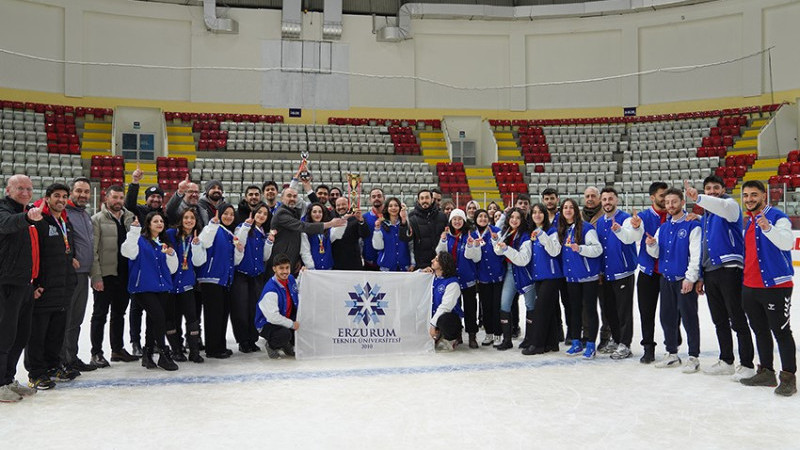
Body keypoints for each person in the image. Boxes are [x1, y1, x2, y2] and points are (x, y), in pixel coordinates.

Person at [684, 177, 755, 380]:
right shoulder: (705, 217)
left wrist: (699, 197)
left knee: (737, 318)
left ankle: (748, 364)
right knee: (720, 320)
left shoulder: (730, 206)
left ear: (724, 189)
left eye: (716, 188)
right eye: (708, 188)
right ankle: (726, 360)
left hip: (729, 269)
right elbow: (705, 248)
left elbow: (721, 206)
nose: (712, 191)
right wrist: (700, 276)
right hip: (711, 272)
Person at [737, 180, 796, 396]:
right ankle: (766, 372)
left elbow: (786, 242)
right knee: (760, 330)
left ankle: (788, 377)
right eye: (745, 195)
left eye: (754, 194)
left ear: (764, 195)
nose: (749, 199)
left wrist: (768, 228)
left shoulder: (777, 217)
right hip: (750, 286)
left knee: (781, 332)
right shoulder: (748, 221)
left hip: (775, 286)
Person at [25, 183, 79, 389]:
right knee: (37, 333)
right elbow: (32, 254)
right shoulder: (39, 220)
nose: (61, 200)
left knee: (56, 332)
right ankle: (36, 373)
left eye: (65, 196)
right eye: (57, 196)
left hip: (63, 287)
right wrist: (35, 283)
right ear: (47, 198)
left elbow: (66, 249)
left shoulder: (64, 221)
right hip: (44, 287)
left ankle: (52, 366)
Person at [645, 188, 702, 373]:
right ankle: (672, 354)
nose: (670, 206)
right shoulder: (664, 227)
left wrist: (690, 278)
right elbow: (657, 254)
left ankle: (693, 356)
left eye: (674, 202)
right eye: (667, 202)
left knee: (689, 318)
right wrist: (652, 245)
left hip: (684, 281)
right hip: (666, 279)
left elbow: (696, 255)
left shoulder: (692, 225)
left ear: (682, 203)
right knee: (667, 318)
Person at [0, 175, 41, 402]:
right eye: (19, 188)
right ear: (8, 190)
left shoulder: (29, 212)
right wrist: (27, 217)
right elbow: (7, 224)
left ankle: (8, 379)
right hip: (6, 283)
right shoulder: (3, 209)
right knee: (4, 336)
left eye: (28, 188)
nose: (25, 192)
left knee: (20, 335)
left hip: (25, 284)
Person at [121, 212, 179, 371]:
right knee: (159, 317)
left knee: (153, 320)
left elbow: (172, 269)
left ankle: (147, 356)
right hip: (143, 287)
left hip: (162, 287)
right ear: (148, 224)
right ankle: (162, 352)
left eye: (161, 221)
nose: (159, 223)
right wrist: (133, 232)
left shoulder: (163, 243)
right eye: (155, 221)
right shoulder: (139, 240)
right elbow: (127, 252)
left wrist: (172, 254)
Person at [90, 185, 138, 367]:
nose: (118, 201)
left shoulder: (130, 218)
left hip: (124, 275)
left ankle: (117, 350)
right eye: (114, 198)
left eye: (120, 198)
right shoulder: (97, 219)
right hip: (105, 274)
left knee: (119, 313)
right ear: (107, 198)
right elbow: (93, 250)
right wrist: (96, 276)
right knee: (99, 314)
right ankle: (96, 353)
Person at [626, 181, 668, 364]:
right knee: (646, 312)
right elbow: (633, 234)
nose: (666, 199)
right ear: (652, 198)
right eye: (662, 196)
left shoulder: (675, 215)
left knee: (671, 312)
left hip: (669, 272)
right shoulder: (642, 217)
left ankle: (672, 343)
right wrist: (635, 227)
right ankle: (648, 347)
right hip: (648, 272)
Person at [594, 187, 638, 360]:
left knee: (623, 310)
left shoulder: (625, 219)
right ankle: (616, 338)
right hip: (605, 274)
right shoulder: (601, 222)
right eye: (604, 199)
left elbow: (629, 236)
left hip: (622, 272)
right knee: (609, 310)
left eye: (610, 199)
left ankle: (625, 344)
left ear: (616, 200)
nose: (607, 202)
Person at [125, 169, 165, 356]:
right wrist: (134, 182)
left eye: (159, 197)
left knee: (154, 309)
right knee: (136, 308)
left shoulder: (163, 216)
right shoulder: (139, 211)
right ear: (146, 198)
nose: (155, 200)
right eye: (152, 197)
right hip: (140, 265)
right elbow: (129, 203)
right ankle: (135, 341)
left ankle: (154, 342)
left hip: (156, 266)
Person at [197, 203, 244, 359]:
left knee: (222, 314)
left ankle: (220, 345)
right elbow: (204, 242)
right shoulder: (213, 228)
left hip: (224, 280)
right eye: (226, 213)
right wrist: (212, 225)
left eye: (231, 214)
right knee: (213, 316)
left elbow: (234, 261)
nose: (229, 217)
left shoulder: (229, 234)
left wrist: (239, 251)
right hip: (211, 279)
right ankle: (212, 348)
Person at [558, 198, 603, 359]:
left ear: (576, 211)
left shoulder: (587, 228)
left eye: (571, 207)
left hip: (588, 276)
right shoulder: (563, 229)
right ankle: (576, 342)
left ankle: (591, 344)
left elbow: (597, 249)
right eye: (565, 208)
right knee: (574, 311)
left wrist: (581, 248)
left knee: (589, 310)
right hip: (571, 278)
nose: (568, 210)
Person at [60, 177, 96, 373]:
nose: (83, 195)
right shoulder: (64, 213)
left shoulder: (85, 215)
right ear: (71, 192)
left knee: (76, 320)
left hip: (83, 274)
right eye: (79, 191)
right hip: (68, 275)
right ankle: (61, 360)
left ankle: (71, 357)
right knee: (65, 320)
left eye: (86, 192)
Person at [271, 187, 346, 274]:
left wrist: (344, 219)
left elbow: (337, 234)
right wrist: (330, 224)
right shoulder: (282, 213)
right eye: (289, 196)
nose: (292, 198)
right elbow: (303, 232)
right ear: (282, 198)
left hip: (299, 263)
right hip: (282, 262)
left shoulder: (293, 212)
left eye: (295, 196)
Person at [165, 208, 206, 363]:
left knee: (192, 318)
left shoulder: (198, 239)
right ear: (181, 220)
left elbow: (199, 262)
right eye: (186, 217)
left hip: (188, 286)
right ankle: (176, 350)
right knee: (171, 320)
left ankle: (194, 351)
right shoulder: (170, 234)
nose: (189, 221)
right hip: (170, 286)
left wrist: (196, 246)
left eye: (192, 218)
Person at [232, 203, 274, 354]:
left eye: (265, 214)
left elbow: (265, 257)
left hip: (256, 276)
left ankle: (252, 338)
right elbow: (239, 243)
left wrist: (269, 242)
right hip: (242, 274)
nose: (261, 216)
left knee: (253, 309)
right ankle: (243, 341)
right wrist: (245, 227)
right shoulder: (242, 227)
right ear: (254, 213)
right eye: (259, 212)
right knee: (241, 310)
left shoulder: (263, 232)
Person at [436, 209, 481, 348]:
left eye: (459, 219)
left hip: (468, 278)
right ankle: (457, 334)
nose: (457, 221)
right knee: (455, 307)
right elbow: (440, 254)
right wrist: (443, 240)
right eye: (454, 219)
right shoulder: (446, 235)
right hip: (452, 279)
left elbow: (475, 257)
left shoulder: (471, 235)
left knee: (470, 308)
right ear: (450, 221)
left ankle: (472, 335)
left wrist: (470, 245)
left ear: (464, 221)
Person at [522, 203, 563, 355]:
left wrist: (541, 234)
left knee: (540, 310)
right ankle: (552, 343)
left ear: (545, 215)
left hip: (551, 276)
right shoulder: (531, 233)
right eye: (534, 212)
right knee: (549, 310)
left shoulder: (552, 231)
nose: (537, 215)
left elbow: (554, 251)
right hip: (539, 276)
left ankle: (537, 344)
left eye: (540, 212)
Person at [493, 208, 534, 351]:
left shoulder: (526, 236)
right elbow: (497, 250)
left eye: (518, 217)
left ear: (522, 220)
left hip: (525, 272)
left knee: (530, 305)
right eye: (512, 217)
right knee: (504, 304)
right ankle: (507, 339)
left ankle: (529, 338)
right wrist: (497, 243)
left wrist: (505, 249)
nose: (514, 220)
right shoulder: (506, 233)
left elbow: (523, 260)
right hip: (511, 271)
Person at [255, 253, 299, 359]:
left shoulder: (291, 279)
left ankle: (285, 344)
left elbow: (300, 287)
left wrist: (304, 273)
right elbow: (273, 317)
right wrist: (292, 324)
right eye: (281, 268)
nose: (285, 271)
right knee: (284, 334)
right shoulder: (271, 290)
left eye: (287, 268)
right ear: (274, 269)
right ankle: (271, 345)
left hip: (284, 318)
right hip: (267, 323)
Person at [473, 209, 504, 346]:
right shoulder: (472, 234)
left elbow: (501, 251)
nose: (483, 219)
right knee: (486, 306)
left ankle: (498, 334)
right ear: (475, 219)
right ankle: (489, 333)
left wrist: (496, 239)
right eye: (480, 216)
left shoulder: (496, 230)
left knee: (496, 306)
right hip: (483, 276)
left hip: (497, 275)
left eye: (485, 216)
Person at [424, 252, 463, 352]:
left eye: (436, 260)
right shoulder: (431, 277)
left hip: (448, 319)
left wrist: (432, 325)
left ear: (443, 264)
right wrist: (421, 272)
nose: (432, 261)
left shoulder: (452, 283)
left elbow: (445, 307)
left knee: (445, 319)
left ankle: (451, 337)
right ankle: (438, 334)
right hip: (432, 315)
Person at [407, 189, 448, 270]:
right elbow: (410, 243)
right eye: (422, 198)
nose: (424, 200)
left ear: (432, 199)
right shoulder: (412, 218)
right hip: (421, 264)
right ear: (418, 200)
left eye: (427, 198)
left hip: (439, 263)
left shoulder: (442, 216)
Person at [373, 198, 414, 272]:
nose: (393, 208)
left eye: (396, 205)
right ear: (387, 208)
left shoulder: (406, 224)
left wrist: (413, 262)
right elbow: (378, 246)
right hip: (386, 267)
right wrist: (377, 230)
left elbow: (411, 245)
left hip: (405, 267)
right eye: (390, 206)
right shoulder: (381, 225)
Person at [300, 203, 343, 270]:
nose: (317, 214)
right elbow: (305, 251)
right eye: (314, 212)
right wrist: (311, 267)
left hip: (328, 268)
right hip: (313, 269)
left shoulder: (328, 229)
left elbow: (338, 234)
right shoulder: (305, 231)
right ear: (310, 214)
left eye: (320, 212)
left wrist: (344, 219)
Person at [331, 197, 370, 271]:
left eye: (343, 204)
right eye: (338, 205)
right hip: (335, 262)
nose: (341, 207)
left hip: (353, 262)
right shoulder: (332, 219)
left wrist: (361, 221)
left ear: (349, 205)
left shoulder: (355, 218)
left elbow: (365, 234)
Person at [362, 188, 386, 271]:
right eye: (374, 196)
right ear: (370, 200)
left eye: (379, 196)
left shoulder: (391, 216)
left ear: (384, 198)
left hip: (387, 262)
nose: (376, 198)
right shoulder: (364, 218)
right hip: (370, 262)